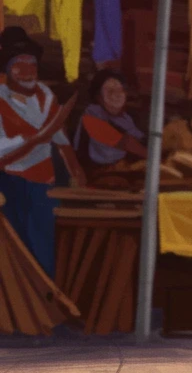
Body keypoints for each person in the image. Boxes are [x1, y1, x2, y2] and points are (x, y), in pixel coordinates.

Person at [0, 27, 84, 276]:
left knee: (44, 251)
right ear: (7, 69)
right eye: (20, 65)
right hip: (9, 185)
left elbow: (62, 141)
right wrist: (34, 139)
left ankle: (47, 306)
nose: (27, 72)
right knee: (16, 253)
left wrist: (76, 173)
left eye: (32, 65)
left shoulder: (47, 97)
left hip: (44, 187)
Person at [75, 69, 147, 170]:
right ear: (98, 97)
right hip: (93, 174)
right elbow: (124, 142)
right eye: (110, 91)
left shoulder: (125, 118)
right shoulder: (91, 115)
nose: (117, 94)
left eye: (120, 90)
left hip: (121, 169)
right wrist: (154, 157)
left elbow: (140, 138)